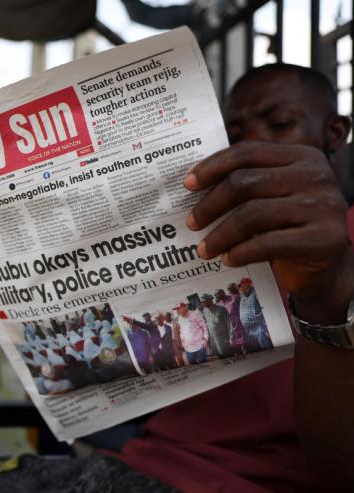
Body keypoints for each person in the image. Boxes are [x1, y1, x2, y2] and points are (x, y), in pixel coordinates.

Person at [102, 63, 354, 491]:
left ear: (334, 132)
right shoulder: (210, 235)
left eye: (280, 123)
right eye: (234, 133)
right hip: (139, 461)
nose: (252, 142)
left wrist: (326, 295)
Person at [237, 277, 272, 351]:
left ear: (248, 285)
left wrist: (267, 329)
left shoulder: (256, 294)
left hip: (259, 329)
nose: (240, 288)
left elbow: (266, 311)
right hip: (249, 331)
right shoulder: (242, 297)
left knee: (267, 351)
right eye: (240, 286)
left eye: (242, 286)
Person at [200, 293, 234, 358]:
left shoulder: (221, 309)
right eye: (202, 302)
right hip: (214, 341)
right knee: (221, 358)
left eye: (204, 301)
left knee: (230, 357)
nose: (203, 303)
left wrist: (231, 339)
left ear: (210, 300)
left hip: (224, 339)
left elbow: (229, 324)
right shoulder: (204, 311)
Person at [215, 286, 246, 351]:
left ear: (223, 292)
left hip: (239, 322)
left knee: (244, 340)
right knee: (234, 342)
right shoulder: (218, 304)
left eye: (217, 294)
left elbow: (243, 307)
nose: (216, 296)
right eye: (215, 295)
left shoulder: (234, 297)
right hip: (228, 325)